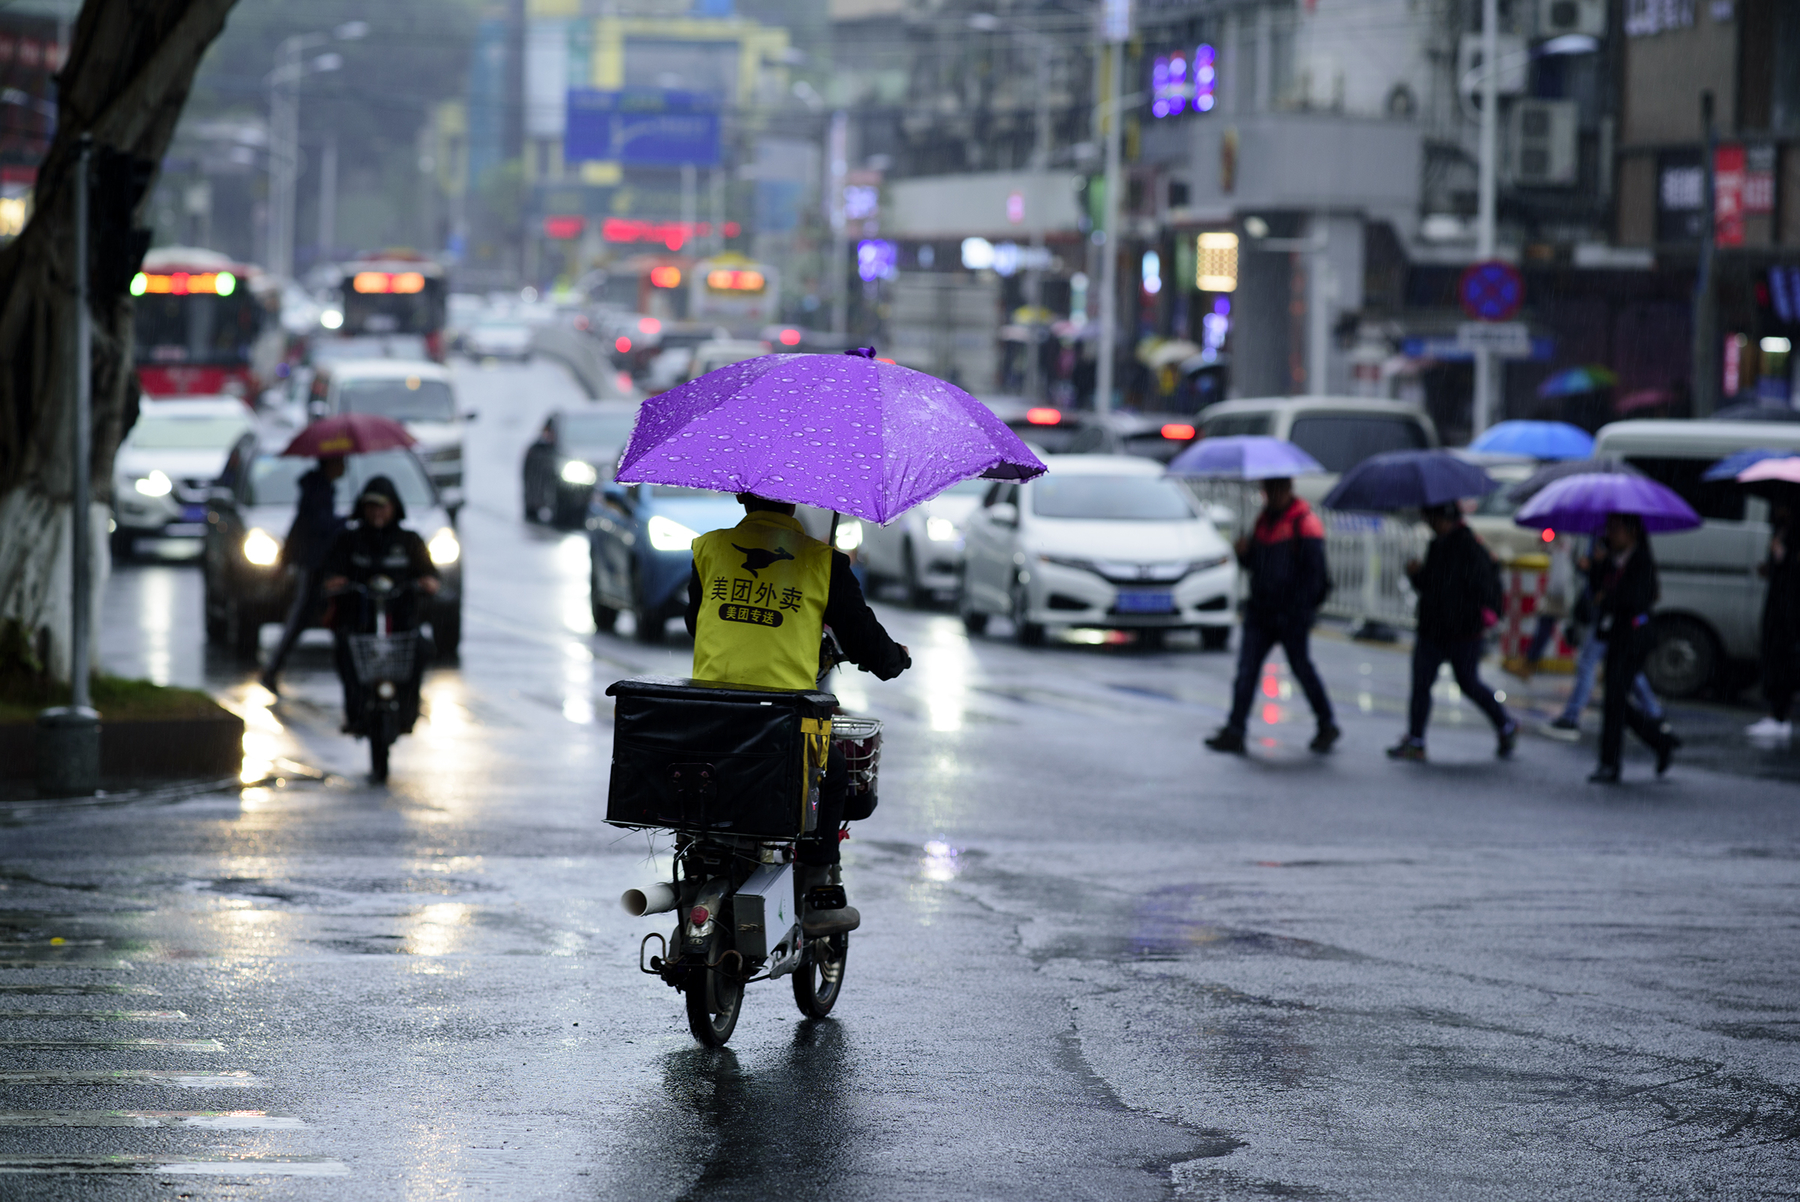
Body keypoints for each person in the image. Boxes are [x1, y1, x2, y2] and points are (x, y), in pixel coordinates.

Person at [684, 494, 911, 931]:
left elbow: (697, 626)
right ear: (797, 501)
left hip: (708, 721)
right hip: (786, 729)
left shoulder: (707, 548)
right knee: (837, 768)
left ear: (739, 495)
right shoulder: (824, 564)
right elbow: (868, 643)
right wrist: (894, 659)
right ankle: (814, 891)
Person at [1205, 476, 1339, 754]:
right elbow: (1257, 565)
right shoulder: (1263, 521)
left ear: (1288, 489)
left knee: (1302, 669)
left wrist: (1301, 611)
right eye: (1269, 490)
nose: (1272, 495)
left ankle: (1327, 724)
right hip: (1261, 612)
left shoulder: (1304, 523)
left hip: (1290, 615)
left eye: (1277, 489)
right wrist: (1244, 554)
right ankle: (1235, 729)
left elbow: (1315, 576)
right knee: (1246, 672)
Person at [1389, 502, 1518, 761]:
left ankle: (1505, 723)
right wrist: (1417, 576)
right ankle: (1416, 739)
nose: (1427, 522)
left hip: (1461, 630)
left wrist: (1474, 614)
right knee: (1423, 684)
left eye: (1430, 517)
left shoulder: (1468, 547)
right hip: (1435, 628)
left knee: (1467, 682)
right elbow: (1433, 586)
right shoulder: (1438, 545)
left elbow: (1479, 588)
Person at [320, 478, 440, 732]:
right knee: (345, 649)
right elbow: (329, 574)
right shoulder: (349, 540)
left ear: (394, 507)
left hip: (400, 620)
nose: (377, 513)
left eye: (382, 507)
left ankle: (409, 711)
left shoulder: (409, 541)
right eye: (371, 506)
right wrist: (336, 582)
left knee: (419, 648)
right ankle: (355, 712)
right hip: (359, 620)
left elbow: (430, 575)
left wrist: (426, 583)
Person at [1543, 537, 1665, 740]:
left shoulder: (1634, 557)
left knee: (1595, 667)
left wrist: (1604, 584)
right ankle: (1653, 716)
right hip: (1608, 622)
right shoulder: (1609, 548)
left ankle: (1573, 716)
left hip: (1618, 624)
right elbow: (1599, 584)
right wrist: (1593, 568)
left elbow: (1640, 594)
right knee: (1623, 675)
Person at [1588, 512, 1676, 782]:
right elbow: (1595, 594)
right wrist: (1595, 568)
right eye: (1609, 529)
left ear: (1632, 532)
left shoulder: (1641, 561)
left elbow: (1637, 598)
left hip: (1636, 637)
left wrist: (1610, 597)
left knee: (1615, 698)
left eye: (1616, 529)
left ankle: (1610, 763)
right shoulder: (1610, 561)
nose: (1611, 535)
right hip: (1616, 635)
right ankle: (1660, 741)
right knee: (1615, 700)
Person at [260, 456, 346, 695]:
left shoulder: (319, 488)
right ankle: (272, 668)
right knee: (306, 616)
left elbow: (300, 525)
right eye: (340, 462)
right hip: (315, 564)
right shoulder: (318, 491)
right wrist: (343, 522)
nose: (344, 467)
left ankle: (272, 668)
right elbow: (313, 525)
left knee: (313, 616)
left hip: (316, 563)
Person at [1747, 500, 1799, 740]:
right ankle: (1777, 711)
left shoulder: (1793, 533)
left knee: (1783, 657)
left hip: (1788, 607)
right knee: (1775, 654)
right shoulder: (1782, 530)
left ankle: (1780, 713)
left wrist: (1783, 559)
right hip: (1779, 604)